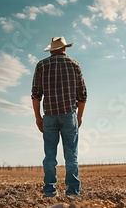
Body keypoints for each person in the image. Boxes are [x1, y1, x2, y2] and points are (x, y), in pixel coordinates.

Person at [31, 36, 87, 197]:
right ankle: (73, 192)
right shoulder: (74, 65)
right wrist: (80, 117)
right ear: (65, 49)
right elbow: (82, 95)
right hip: (69, 115)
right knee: (71, 155)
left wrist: (38, 117)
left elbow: (35, 95)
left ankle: (49, 191)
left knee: (49, 155)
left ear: (51, 50)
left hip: (49, 116)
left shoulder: (42, 65)